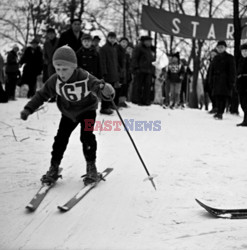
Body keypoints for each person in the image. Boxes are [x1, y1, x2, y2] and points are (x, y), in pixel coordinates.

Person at [20, 45, 115, 185]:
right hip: (68, 113)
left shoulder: (85, 77)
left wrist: (106, 90)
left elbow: (100, 90)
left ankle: (91, 167)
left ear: (74, 67)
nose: (61, 73)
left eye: (65, 69)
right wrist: (29, 109)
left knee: (87, 137)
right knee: (60, 139)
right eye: (58, 69)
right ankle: (54, 166)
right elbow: (42, 94)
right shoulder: (55, 80)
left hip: (88, 110)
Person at [209, 40, 236, 120]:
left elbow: (232, 71)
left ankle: (220, 112)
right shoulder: (215, 58)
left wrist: (231, 82)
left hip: (225, 81)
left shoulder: (230, 58)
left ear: (225, 48)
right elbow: (211, 70)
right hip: (216, 80)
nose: (220, 49)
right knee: (217, 97)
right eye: (219, 47)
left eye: (222, 47)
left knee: (223, 98)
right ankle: (218, 111)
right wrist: (210, 80)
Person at [99, 32, 120, 114]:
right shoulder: (104, 48)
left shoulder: (114, 48)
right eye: (110, 38)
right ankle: (104, 108)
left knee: (112, 91)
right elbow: (102, 62)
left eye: (113, 38)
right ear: (107, 38)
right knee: (106, 91)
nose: (112, 39)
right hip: (107, 73)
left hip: (114, 73)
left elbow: (116, 62)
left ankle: (110, 105)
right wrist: (104, 73)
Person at [131, 36, 155, 106]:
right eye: (148, 41)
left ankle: (146, 100)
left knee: (147, 86)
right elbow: (134, 58)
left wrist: (152, 71)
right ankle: (137, 99)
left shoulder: (149, 50)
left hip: (148, 71)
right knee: (138, 86)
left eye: (150, 41)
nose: (150, 43)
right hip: (140, 70)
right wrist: (136, 68)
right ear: (144, 41)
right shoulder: (138, 48)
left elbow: (152, 60)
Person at [236, 43, 247, 126]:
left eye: (246, 51)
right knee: (243, 104)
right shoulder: (240, 60)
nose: (244, 53)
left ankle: (246, 121)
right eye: (243, 51)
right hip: (241, 85)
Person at [204, 49, 218, 113]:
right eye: (211, 54)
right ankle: (214, 106)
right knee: (210, 94)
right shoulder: (209, 62)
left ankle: (216, 107)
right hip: (209, 80)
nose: (212, 56)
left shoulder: (218, 62)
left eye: (214, 54)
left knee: (214, 95)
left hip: (215, 81)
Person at [117, 37, 129, 108]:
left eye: (126, 43)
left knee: (124, 87)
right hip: (119, 72)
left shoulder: (125, 52)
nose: (124, 44)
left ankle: (122, 101)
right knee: (119, 87)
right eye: (123, 42)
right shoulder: (117, 50)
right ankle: (117, 101)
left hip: (125, 72)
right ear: (120, 42)